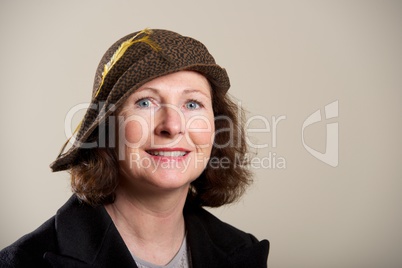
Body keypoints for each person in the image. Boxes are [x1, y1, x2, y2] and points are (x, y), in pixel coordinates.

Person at [0, 28, 269, 267]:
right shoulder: (25, 261)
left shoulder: (243, 253)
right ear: (105, 126)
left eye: (192, 104)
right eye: (145, 102)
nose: (172, 126)